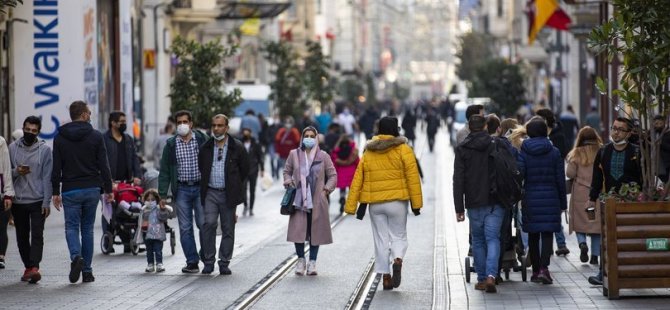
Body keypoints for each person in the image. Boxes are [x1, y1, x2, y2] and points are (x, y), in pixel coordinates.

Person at [345, 117, 423, 290]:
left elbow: (357, 178)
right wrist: (416, 204)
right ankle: (397, 259)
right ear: (396, 129)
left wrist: (351, 205)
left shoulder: (369, 151)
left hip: (375, 204)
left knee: (381, 240)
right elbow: (413, 177)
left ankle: (386, 277)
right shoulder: (404, 149)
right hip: (397, 202)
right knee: (399, 235)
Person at [52, 101, 113, 284]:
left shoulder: (60, 137)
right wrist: (108, 189)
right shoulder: (95, 136)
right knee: (87, 229)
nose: (90, 115)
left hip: (70, 189)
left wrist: (56, 192)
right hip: (91, 188)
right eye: (89, 112)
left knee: (71, 227)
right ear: (84, 114)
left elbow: (56, 168)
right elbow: (104, 164)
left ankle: (76, 257)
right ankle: (87, 271)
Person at [587, 117, 642, 286]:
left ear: (629, 132)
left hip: (632, 204)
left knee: (630, 238)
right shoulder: (604, 151)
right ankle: (603, 272)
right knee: (607, 237)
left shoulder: (637, 152)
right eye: (614, 128)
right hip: (609, 202)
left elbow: (643, 178)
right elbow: (597, 178)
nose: (616, 132)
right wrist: (591, 199)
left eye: (620, 129)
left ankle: (633, 272)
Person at [453, 115, 504, 293]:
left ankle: (482, 278)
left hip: (474, 201)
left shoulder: (462, 149)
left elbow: (458, 180)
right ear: (484, 126)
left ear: (469, 127)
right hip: (495, 200)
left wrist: (459, 207)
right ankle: (492, 275)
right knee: (493, 238)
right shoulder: (495, 144)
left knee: (479, 240)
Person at [517, 120, 567, 285]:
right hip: (551, 197)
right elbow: (560, 179)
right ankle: (545, 268)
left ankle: (536, 270)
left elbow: (520, 175)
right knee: (547, 233)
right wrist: (563, 203)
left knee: (533, 233)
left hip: (530, 197)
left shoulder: (523, 152)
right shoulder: (554, 152)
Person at [158, 110, 209, 273]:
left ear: (191, 124)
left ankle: (206, 256)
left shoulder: (201, 139)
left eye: (185, 122)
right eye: (179, 122)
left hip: (200, 188)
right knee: (185, 227)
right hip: (182, 190)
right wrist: (162, 195)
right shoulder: (171, 145)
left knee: (203, 224)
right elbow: (164, 171)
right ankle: (192, 261)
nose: (182, 125)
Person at [199, 114, 249, 275]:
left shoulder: (237, 146)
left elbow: (245, 170)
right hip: (211, 192)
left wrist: (235, 188)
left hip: (228, 194)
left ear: (227, 128)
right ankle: (208, 261)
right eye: (214, 125)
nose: (216, 128)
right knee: (209, 223)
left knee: (228, 228)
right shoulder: (206, 147)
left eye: (220, 125)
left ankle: (224, 262)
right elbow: (202, 167)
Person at [284, 126, 337, 276]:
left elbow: (333, 175)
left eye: (312, 136)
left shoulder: (323, 156)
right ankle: (301, 260)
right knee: (298, 230)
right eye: (306, 135)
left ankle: (312, 261)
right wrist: (288, 182)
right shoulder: (294, 154)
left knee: (316, 231)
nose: (309, 138)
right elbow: (287, 171)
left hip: (317, 199)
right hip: (298, 200)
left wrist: (326, 189)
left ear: (317, 138)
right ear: (302, 137)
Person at [8, 116, 52, 283]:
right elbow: (6, 174)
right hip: (18, 200)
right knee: (21, 235)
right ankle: (28, 266)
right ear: (23, 128)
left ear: (38, 132)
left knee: (38, 234)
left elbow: (47, 177)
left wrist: (46, 201)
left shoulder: (45, 150)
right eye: (27, 130)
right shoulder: (12, 148)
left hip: (37, 200)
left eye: (34, 131)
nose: (30, 133)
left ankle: (34, 267)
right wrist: (16, 172)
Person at [101, 111, 142, 253]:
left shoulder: (128, 139)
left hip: (126, 183)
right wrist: (106, 181)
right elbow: (101, 161)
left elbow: (135, 159)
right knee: (109, 212)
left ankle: (128, 241)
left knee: (126, 210)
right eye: (121, 121)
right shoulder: (104, 139)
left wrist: (137, 176)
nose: (124, 124)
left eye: (125, 121)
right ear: (113, 123)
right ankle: (108, 241)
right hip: (110, 183)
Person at [566, 127, 603, 266]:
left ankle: (582, 244)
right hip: (596, 193)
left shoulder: (576, 153)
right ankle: (595, 256)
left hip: (580, 193)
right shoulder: (602, 151)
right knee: (594, 224)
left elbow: (570, 174)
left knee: (580, 223)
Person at [535, 108, 570, 256]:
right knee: (547, 215)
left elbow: (561, 156)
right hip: (540, 178)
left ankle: (561, 244)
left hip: (552, 178)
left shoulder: (558, 135)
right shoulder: (535, 133)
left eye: (539, 118)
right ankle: (548, 247)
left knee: (554, 215)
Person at [141, 189, 174, 273]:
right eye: (148, 200)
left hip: (158, 234)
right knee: (149, 250)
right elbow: (144, 219)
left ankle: (159, 263)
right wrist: (147, 210)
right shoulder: (144, 210)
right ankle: (150, 264)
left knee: (158, 250)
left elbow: (163, 218)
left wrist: (163, 209)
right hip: (147, 234)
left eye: (153, 200)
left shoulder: (159, 209)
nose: (150, 202)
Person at [331, 134, 359, 213]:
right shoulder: (353, 150)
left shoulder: (338, 150)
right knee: (351, 189)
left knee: (342, 189)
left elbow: (334, 155)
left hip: (341, 172)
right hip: (351, 172)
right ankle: (351, 204)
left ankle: (342, 197)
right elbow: (357, 161)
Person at [241, 128, 264, 216]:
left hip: (253, 170)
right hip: (243, 171)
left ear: (250, 134)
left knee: (252, 190)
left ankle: (251, 208)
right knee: (243, 190)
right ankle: (245, 205)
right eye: (244, 133)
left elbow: (260, 156)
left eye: (247, 133)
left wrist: (262, 169)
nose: (246, 135)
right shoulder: (240, 143)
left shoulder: (256, 144)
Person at [0, 135, 14, 270]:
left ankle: (1, 256)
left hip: (1, 193)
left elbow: (6, 169)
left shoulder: (1, 142)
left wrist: (8, 194)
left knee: (1, 227)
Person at [652, 115, 670, 182]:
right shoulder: (651, 134)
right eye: (656, 123)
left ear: (664, 123)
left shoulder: (668, 134)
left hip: (665, 164)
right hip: (654, 163)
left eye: (660, 123)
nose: (658, 126)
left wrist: (661, 144)